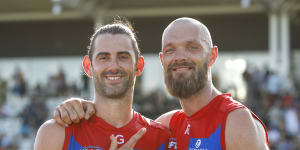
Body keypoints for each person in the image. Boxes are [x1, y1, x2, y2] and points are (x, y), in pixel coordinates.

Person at [54, 17, 269, 150]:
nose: (180, 56)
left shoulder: (236, 123)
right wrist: (81, 107)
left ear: (212, 56)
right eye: (170, 50)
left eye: (192, 47)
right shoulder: (167, 127)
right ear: (162, 60)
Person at [34, 20, 170, 150]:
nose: (114, 66)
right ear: (88, 66)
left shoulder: (162, 138)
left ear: (139, 66)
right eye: (103, 58)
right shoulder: (56, 132)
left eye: (123, 57)